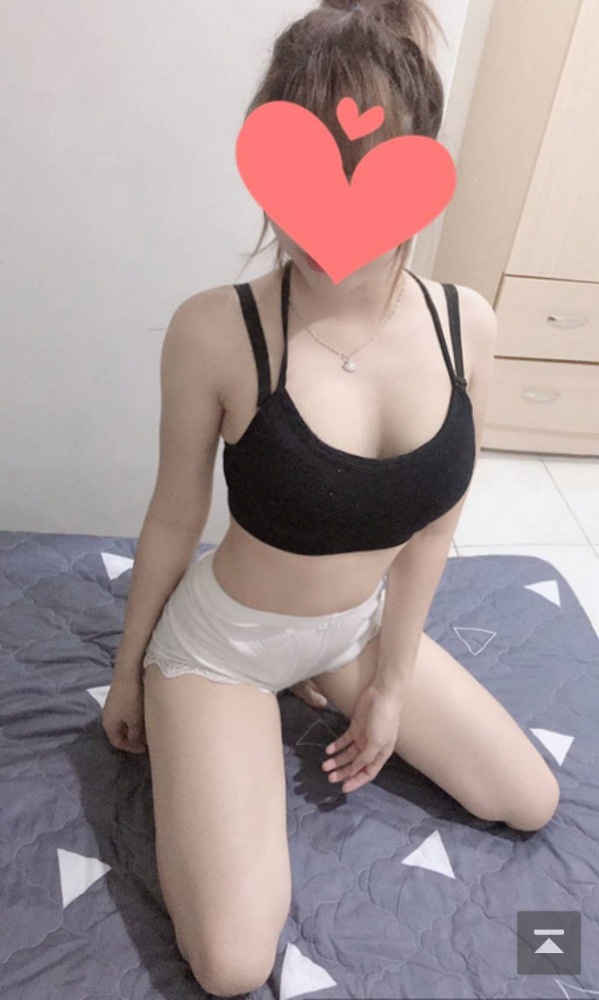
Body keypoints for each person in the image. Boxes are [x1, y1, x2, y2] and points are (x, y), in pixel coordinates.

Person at [102, 1, 560, 995]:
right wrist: (128, 673)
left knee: (528, 799)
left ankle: (322, 684)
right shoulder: (217, 331)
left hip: (352, 636)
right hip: (223, 651)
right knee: (232, 964)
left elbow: (433, 527)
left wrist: (389, 683)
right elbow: (175, 516)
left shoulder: (465, 326)